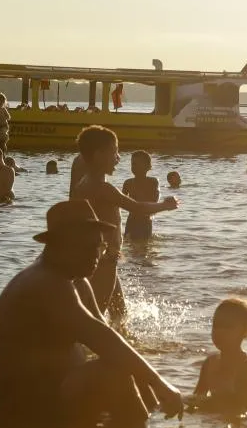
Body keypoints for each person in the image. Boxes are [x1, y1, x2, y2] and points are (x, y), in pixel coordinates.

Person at [0, 200, 183, 428]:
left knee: (123, 366)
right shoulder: (46, 283)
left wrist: (156, 396)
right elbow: (101, 339)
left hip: (56, 391)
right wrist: (161, 384)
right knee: (115, 375)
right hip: (22, 405)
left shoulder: (77, 280)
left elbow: (112, 342)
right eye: (88, 247)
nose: (97, 256)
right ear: (62, 245)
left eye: (99, 247)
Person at [71, 126, 179, 312]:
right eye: (114, 152)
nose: (118, 158)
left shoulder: (84, 182)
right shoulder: (103, 188)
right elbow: (137, 208)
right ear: (98, 155)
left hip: (103, 258)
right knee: (99, 316)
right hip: (105, 261)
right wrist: (164, 205)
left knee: (120, 315)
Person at [191, 299, 247, 413]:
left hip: (240, 419)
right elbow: (197, 397)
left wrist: (207, 403)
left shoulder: (245, 365)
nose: (219, 331)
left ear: (246, 332)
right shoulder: (209, 363)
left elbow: (243, 405)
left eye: (227, 327)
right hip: (215, 415)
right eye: (216, 325)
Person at [121, 150, 160, 241]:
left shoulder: (153, 181)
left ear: (148, 166)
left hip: (145, 221)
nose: (134, 167)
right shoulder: (128, 183)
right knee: (129, 242)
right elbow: (121, 201)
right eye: (132, 164)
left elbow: (155, 200)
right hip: (131, 220)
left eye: (137, 164)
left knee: (144, 245)